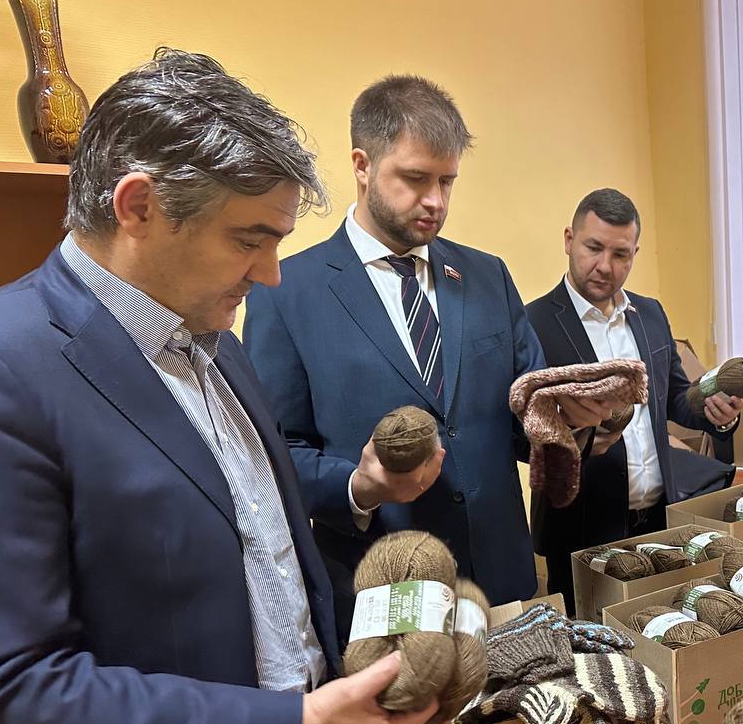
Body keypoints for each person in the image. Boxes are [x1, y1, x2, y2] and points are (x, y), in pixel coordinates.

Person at [0, 50, 451, 724]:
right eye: (249, 238)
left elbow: (265, 554)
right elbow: (5, 691)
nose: (270, 273)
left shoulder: (214, 340)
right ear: (138, 206)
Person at [244, 76, 607, 638]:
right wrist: (359, 487)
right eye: (415, 178)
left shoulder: (487, 276)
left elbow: (526, 420)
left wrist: (576, 423)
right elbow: (275, 454)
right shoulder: (285, 292)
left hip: (503, 587)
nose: (435, 201)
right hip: (384, 599)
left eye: (447, 181)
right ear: (362, 165)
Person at [526, 189, 742, 614]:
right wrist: (576, 431)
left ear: (635, 253)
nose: (605, 266)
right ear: (569, 239)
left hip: (660, 521)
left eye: (620, 254)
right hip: (581, 530)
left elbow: (675, 399)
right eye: (593, 247)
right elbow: (523, 427)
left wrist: (716, 414)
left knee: (663, 632)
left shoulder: (651, 313)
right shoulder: (532, 323)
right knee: (593, 646)